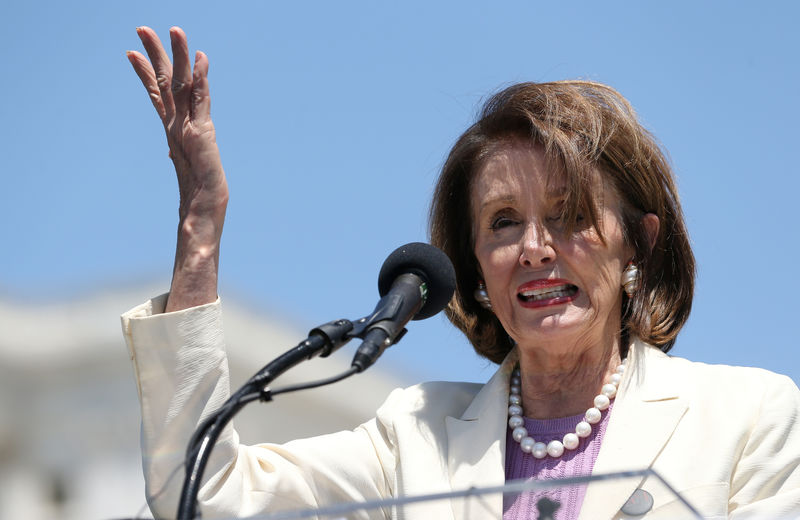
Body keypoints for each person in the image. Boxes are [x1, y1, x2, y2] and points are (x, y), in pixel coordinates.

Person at [122, 26, 800, 519]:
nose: (534, 247)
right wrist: (200, 230)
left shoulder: (751, 419)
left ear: (639, 246)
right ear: (474, 267)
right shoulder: (411, 436)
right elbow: (207, 494)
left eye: (569, 215)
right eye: (504, 222)